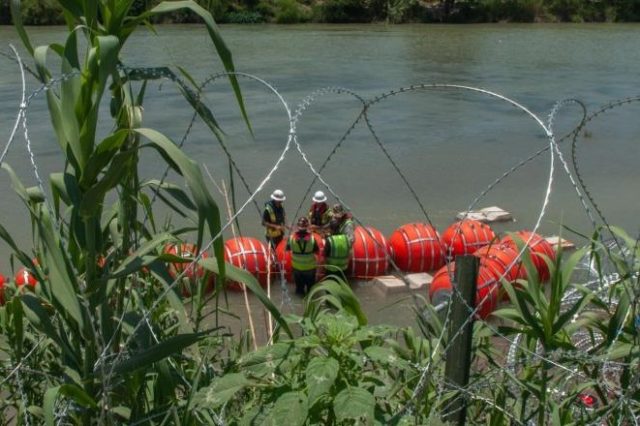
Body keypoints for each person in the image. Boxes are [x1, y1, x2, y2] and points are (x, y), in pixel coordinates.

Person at [286, 217, 319, 296]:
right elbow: (316, 251)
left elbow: (287, 249)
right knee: (311, 290)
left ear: (298, 227)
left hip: (297, 269)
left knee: (299, 290)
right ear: (307, 227)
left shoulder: (291, 238)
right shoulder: (312, 239)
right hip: (310, 269)